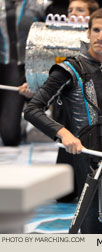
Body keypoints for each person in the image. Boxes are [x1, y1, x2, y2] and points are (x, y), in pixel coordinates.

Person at [24, 7, 102, 234]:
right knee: (92, 221)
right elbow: (32, 109)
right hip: (85, 150)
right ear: (88, 33)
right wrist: (63, 133)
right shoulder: (68, 69)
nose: (100, 36)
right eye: (96, 30)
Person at [0, 0, 51, 146]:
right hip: (3, 64)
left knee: (10, 136)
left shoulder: (42, 4)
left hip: (29, 64)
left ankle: (21, 119)